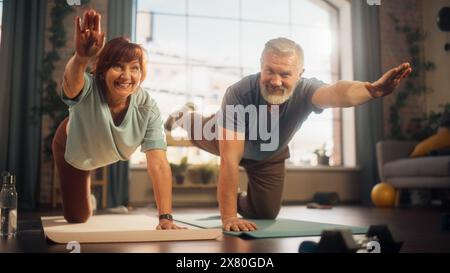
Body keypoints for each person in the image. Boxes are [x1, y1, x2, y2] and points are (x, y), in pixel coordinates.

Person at [165, 37, 412, 232]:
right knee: (198, 130)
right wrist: (228, 216)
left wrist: (371, 90)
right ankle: (186, 115)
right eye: (269, 71)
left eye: (285, 74)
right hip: (225, 137)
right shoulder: (238, 93)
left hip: (269, 154)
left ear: (300, 74)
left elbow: (337, 93)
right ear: (260, 67)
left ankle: (235, 197)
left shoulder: (307, 90)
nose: (276, 81)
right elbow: (229, 162)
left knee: (265, 213)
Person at [52, 9, 184, 229]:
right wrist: (81, 58)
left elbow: (158, 163)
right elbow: (70, 83)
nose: (126, 76)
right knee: (77, 218)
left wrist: (166, 218)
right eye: (117, 66)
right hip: (72, 145)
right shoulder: (89, 86)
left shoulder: (147, 107)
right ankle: (86, 192)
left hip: (102, 148)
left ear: (142, 74)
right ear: (102, 71)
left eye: (134, 68)